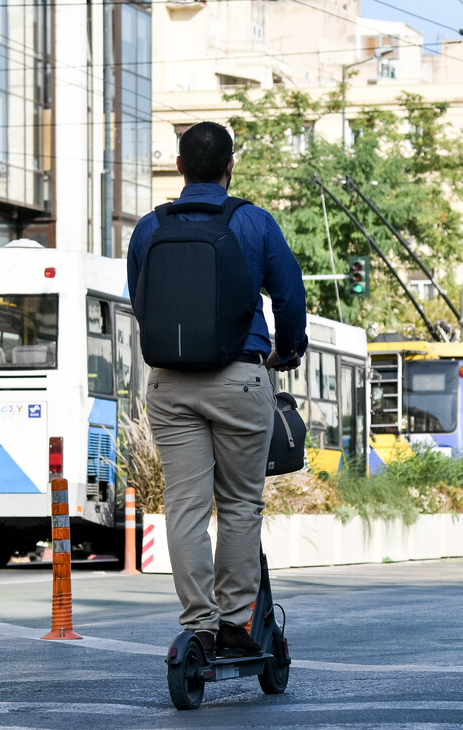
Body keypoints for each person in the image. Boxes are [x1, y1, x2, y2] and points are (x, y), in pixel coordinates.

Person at [127, 121, 307, 660]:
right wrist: (289, 350)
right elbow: (289, 295)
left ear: (179, 168)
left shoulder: (147, 230)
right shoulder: (253, 222)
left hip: (170, 383)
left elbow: (143, 302)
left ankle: (197, 626)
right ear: (231, 167)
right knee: (238, 504)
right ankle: (235, 622)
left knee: (183, 506)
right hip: (240, 378)